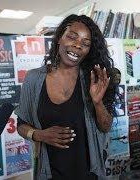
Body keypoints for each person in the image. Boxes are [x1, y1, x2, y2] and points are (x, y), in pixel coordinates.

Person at [15, 14, 115, 180]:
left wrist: (97, 103)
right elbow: (21, 125)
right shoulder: (33, 79)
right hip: (49, 174)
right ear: (59, 39)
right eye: (72, 37)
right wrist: (40, 135)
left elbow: (105, 127)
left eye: (86, 43)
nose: (77, 45)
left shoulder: (92, 79)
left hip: (88, 175)